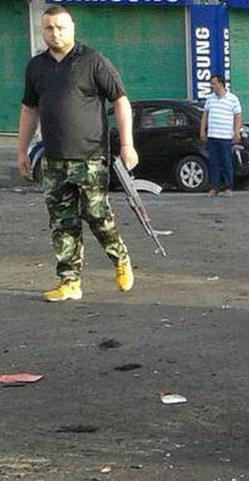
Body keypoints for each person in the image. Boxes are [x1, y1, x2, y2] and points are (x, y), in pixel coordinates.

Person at [17, 4, 137, 302]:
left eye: (61, 27)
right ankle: (69, 281)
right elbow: (29, 109)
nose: (55, 33)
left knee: (97, 215)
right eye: (49, 28)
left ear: (73, 28)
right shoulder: (36, 67)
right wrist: (22, 150)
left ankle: (120, 258)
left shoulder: (93, 61)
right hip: (54, 159)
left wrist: (127, 144)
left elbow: (120, 101)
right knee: (62, 221)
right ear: (42, 30)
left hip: (90, 157)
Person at [199, 74, 241, 197]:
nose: (212, 86)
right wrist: (202, 130)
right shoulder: (210, 99)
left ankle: (228, 187)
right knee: (214, 163)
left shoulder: (232, 99)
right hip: (213, 135)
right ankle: (214, 187)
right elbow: (205, 115)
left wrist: (236, 131)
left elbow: (238, 116)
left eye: (214, 83)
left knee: (226, 162)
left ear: (221, 84)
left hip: (226, 136)